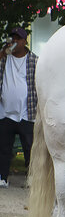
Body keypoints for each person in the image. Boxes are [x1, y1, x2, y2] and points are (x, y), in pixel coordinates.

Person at [0, 28, 37, 187]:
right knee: (3, 148)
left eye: (18, 39)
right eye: (13, 38)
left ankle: (32, 180)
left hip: (27, 113)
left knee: (30, 149)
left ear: (25, 41)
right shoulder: (4, 59)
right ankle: (2, 178)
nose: (15, 41)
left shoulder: (34, 60)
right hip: (5, 112)